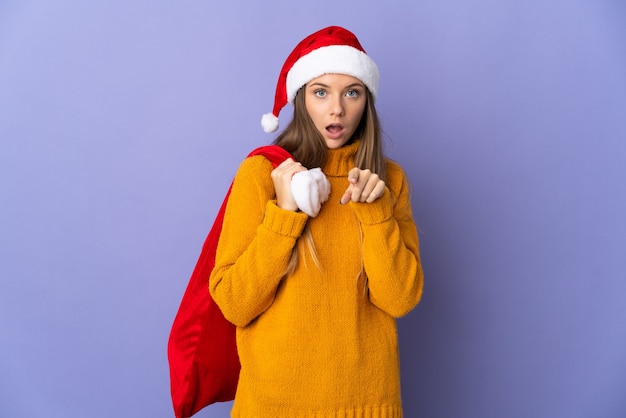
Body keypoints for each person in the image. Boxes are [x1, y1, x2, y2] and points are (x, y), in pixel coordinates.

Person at [209, 25, 424, 417]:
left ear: (366, 102)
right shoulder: (262, 175)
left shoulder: (390, 181)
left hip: (366, 406)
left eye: (351, 92)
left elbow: (399, 299)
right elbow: (236, 304)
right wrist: (283, 215)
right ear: (301, 99)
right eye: (321, 92)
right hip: (273, 406)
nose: (336, 108)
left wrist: (376, 213)